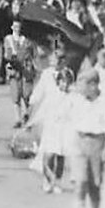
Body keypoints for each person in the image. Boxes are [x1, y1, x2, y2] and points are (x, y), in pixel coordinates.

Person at [67, 66, 105, 208]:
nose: (81, 88)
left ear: (94, 85)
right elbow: (62, 117)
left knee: (94, 186)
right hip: (79, 143)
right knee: (80, 185)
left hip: (97, 144)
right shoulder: (76, 101)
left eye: (84, 84)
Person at [28, 62, 74, 194]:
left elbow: (75, 113)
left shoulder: (71, 97)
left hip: (64, 130)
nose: (65, 85)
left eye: (67, 83)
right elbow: (42, 111)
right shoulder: (52, 95)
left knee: (60, 156)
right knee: (48, 155)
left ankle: (57, 181)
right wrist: (30, 123)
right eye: (62, 82)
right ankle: (47, 180)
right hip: (51, 129)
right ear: (58, 82)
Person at [2, 20, 35, 125]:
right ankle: (17, 119)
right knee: (15, 94)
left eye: (19, 26)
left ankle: (27, 114)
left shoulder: (26, 40)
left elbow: (31, 54)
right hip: (13, 67)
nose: (17, 28)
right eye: (15, 26)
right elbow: (7, 55)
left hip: (25, 68)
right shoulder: (8, 39)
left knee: (26, 93)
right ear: (12, 27)